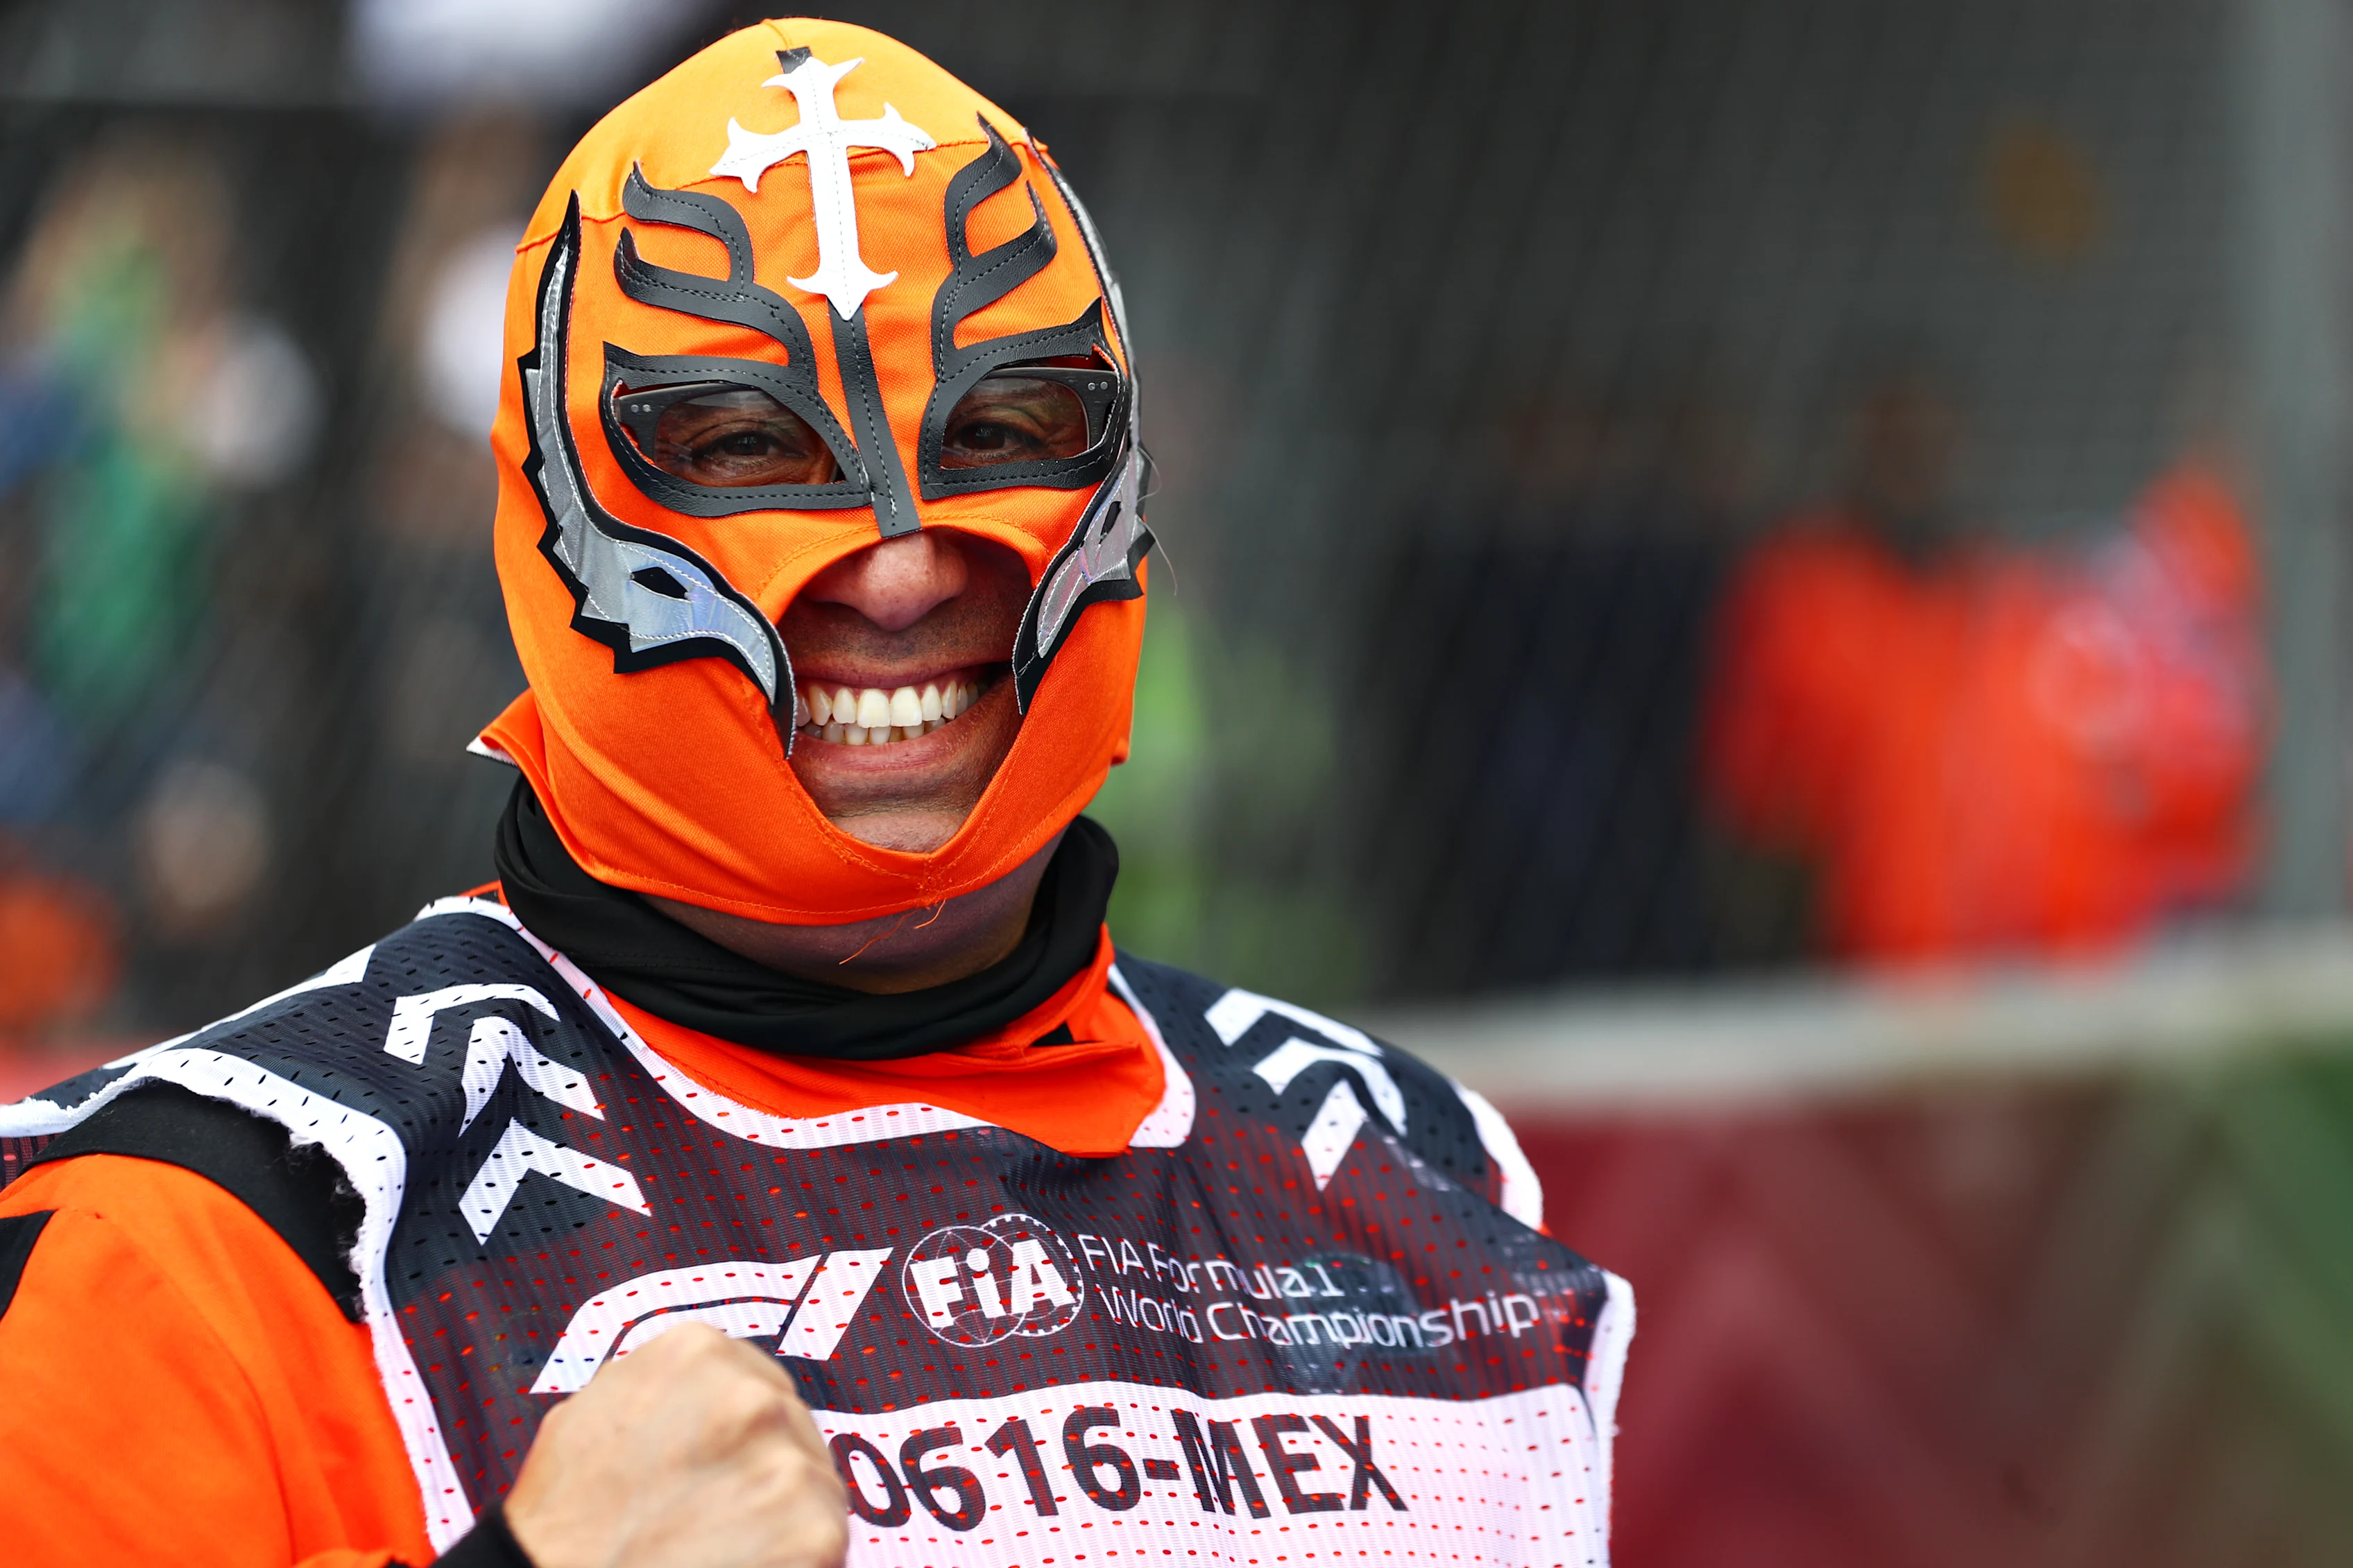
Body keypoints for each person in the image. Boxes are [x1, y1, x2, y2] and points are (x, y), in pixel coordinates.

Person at [0, 20, 1632, 1568]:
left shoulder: (1415, 1186)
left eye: (1004, 425)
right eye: (745, 452)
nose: (906, 568)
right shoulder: (221, 1240)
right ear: (543, 504)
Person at [1702, 363, 2264, 962]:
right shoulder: (1802, 590)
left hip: (2011, 950)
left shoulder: (2000, 592)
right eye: (1891, 444)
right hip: (1864, 949)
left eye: (1929, 443)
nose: (1911, 465)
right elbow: (1757, 819)